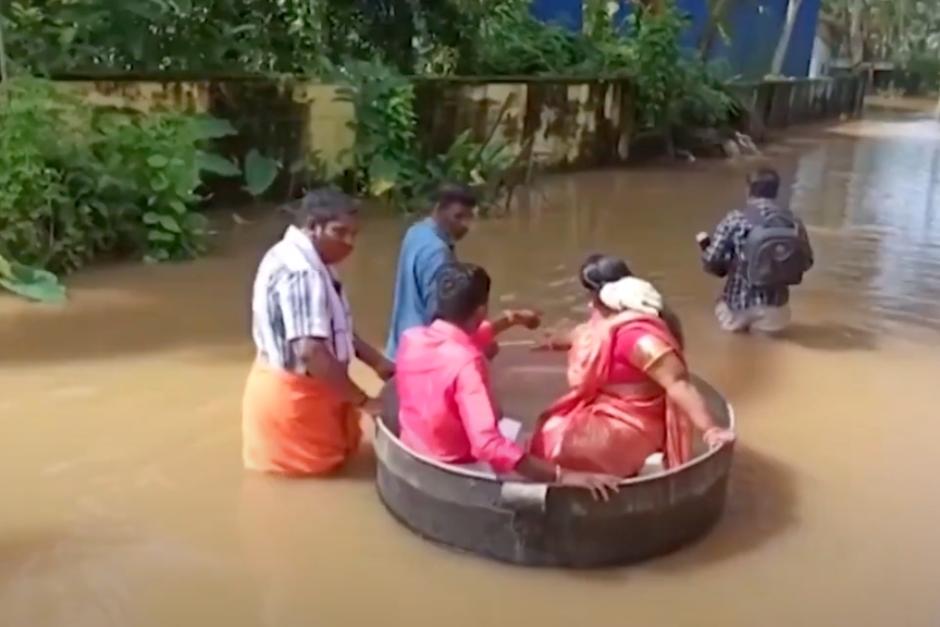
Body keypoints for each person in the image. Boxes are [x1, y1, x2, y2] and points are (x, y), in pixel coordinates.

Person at [395, 262, 622, 501]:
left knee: (506, 428)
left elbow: (471, 335)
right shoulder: (467, 362)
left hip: (415, 452)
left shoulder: (412, 339)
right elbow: (487, 445)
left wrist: (512, 319)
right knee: (530, 450)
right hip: (456, 468)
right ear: (481, 310)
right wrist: (563, 476)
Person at [530, 255, 735, 479]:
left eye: (592, 295)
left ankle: (611, 478)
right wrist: (554, 341)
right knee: (551, 430)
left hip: (638, 419)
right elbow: (586, 335)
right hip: (606, 407)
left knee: (565, 448)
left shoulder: (640, 339)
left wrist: (710, 429)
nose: (589, 303)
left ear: (607, 297)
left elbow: (679, 384)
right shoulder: (609, 321)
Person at [242, 188, 394, 476]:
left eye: (354, 234)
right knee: (315, 480)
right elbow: (311, 351)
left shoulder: (308, 258)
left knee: (336, 468)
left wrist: (377, 362)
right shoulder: (304, 272)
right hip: (297, 399)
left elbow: (333, 327)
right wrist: (365, 401)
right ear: (313, 226)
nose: (349, 243)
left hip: (306, 389)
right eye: (340, 232)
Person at [698, 167, 814, 334]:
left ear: (748, 190)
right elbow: (807, 262)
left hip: (737, 308)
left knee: (724, 316)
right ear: (776, 191)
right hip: (777, 309)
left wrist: (705, 248)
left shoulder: (735, 219)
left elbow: (711, 261)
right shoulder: (793, 222)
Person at [385, 183, 476, 359]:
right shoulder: (438, 252)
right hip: (423, 352)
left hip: (400, 344)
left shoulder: (416, 232)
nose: (465, 225)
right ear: (438, 209)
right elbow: (440, 313)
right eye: (458, 216)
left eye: (469, 218)